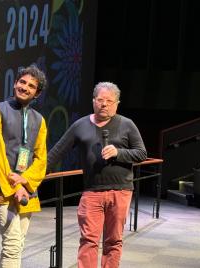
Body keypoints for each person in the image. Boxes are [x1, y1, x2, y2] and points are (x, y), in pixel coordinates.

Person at [47, 82, 147, 268]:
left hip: (121, 191)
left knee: (113, 241)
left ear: (117, 103)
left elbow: (141, 153)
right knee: (88, 240)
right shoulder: (80, 125)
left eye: (109, 101)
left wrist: (119, 153)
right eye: (100, 100)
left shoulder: (127, 124)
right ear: (93, 101)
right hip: (91, 192)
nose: (104, 104)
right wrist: (31, 176)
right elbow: (56, 152)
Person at [0, 65, 48, 268]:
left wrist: (25, 181)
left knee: (18, 244)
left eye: (31, 86)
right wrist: (15, 184)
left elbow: (41, 158)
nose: (25, 87)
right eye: (22, 82)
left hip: (27, 191)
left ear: (37, 93)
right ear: (15, 83)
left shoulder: (39, 120)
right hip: (2, 189)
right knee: (12, 244)